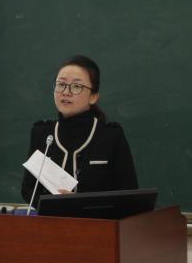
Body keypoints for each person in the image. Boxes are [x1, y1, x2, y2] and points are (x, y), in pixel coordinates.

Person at [21, 55, 138, 203]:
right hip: (51, 217)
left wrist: (79, 204)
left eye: (76, 86)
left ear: (93, 97)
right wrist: (54, 204)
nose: (66, 92)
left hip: (97, 218)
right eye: (61, 84)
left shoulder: (111, 136)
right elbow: (28, 189)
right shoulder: (42, 133)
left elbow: (129, 195)